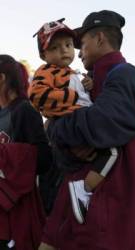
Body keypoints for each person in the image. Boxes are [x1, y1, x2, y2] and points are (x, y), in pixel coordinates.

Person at [38, 10, 135, 250]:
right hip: (82, 198)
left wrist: (56, 128)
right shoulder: (89, 79)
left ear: (99, 39)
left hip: (109, 205)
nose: (77, 52)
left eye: (82, 43)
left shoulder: (125, 74)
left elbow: (102, 123)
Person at [28, 18, 119, 224]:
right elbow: (37, 95)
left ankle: (83, 194)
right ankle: (84, 190)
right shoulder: (45, 72)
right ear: (44, 54)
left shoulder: (72, 73)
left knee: (93, 157)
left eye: (68, 45)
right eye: (55, 47)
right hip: (73, 123)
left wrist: (87, 84)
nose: (65, 51)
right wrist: (72, 96)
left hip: (78, 123)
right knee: (112, 151)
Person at [0, 55, 52, 250]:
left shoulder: (24, 111)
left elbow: (44, 159)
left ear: (1, 78)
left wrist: (6, 154)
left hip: (16, 210)